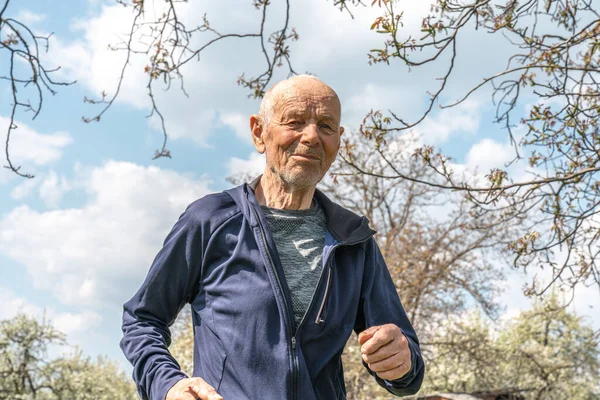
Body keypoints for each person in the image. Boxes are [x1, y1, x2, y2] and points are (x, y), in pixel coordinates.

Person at [120, 75, 424, 400]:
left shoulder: (353, 241)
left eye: (325, 126)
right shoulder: (210, 220)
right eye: (294, 122)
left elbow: (408, 368)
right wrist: (168, 385)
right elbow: (142, 319)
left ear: (338, 139)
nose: (311, 137)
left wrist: (401, 361)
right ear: (259, 132)